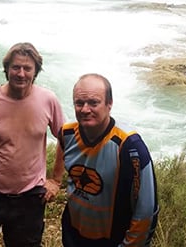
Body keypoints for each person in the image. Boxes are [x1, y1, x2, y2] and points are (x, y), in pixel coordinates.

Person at [0, 42, 66, 247]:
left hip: (30, 196)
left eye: (27, 68)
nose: (21, 73)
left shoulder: (48, 100)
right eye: (16, 67)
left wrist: (56, 180)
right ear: (7, 69)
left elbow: (65, 138)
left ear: (36, 72)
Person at [60, 73, 159, 246]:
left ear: (109, 104)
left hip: (113, 240)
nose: (85, 109)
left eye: (93, 102)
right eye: (79, 103)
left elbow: (146, 209)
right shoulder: (67, 134)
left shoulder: (130, 147)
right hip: (74, 235)